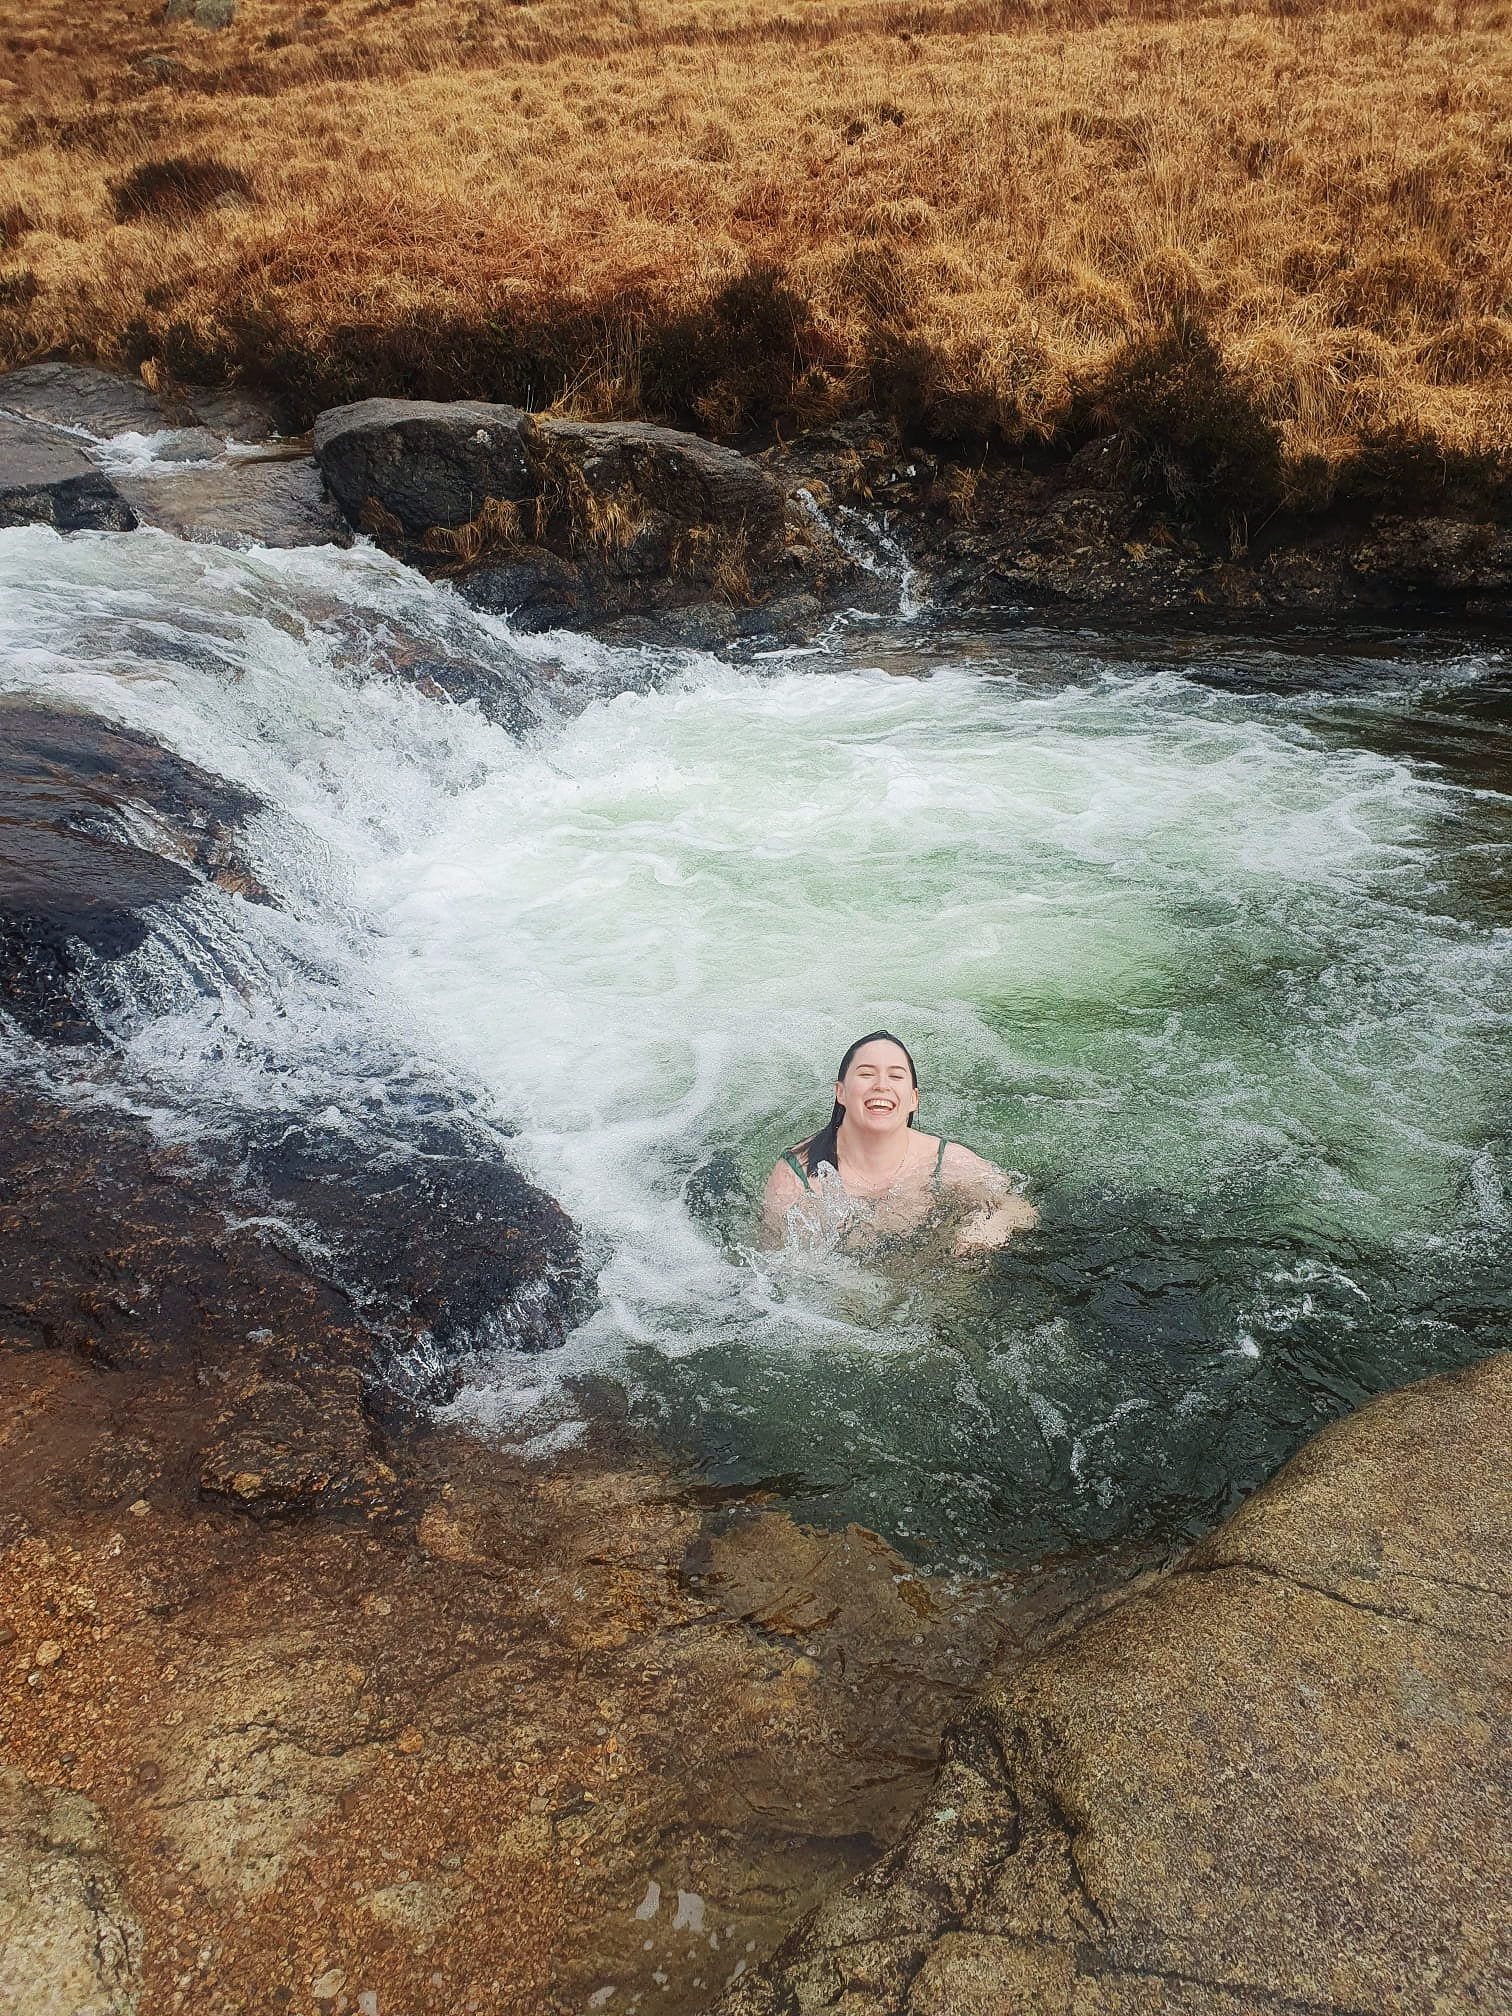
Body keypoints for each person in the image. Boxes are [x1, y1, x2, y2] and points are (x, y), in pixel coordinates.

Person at [761, 1031, 1037, 1255]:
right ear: (840, 1092)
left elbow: (1019, 1209)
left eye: (895, 1076)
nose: (882, 1085)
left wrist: (987, 1229)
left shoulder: (943, 1162)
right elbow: (770, 1259)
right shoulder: (797, 1177)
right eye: (866, 1074)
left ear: (913, 1099)